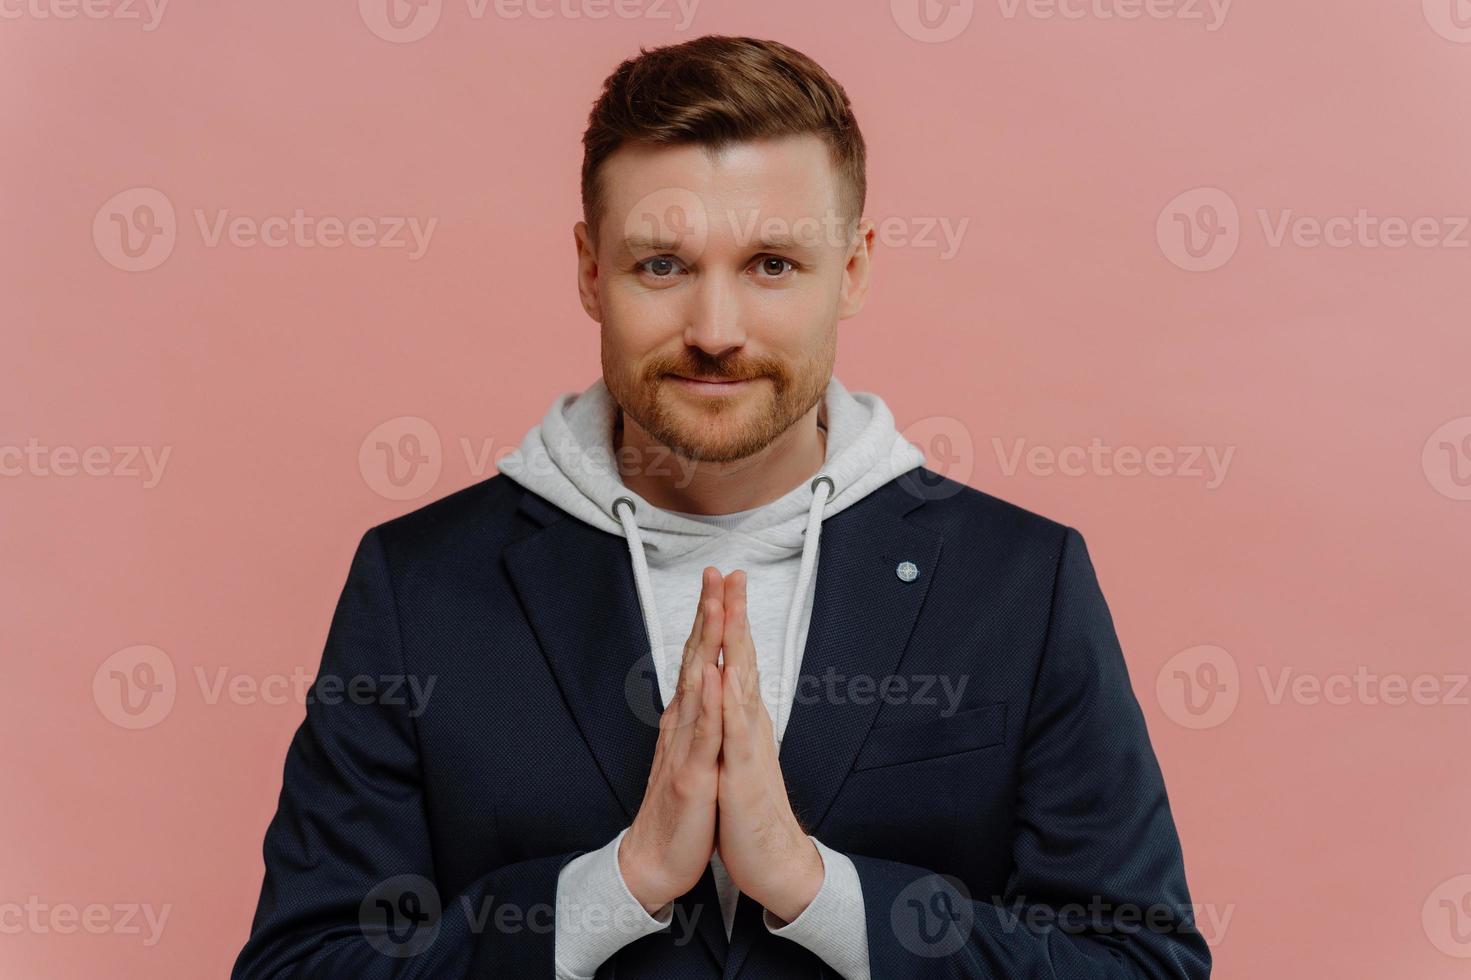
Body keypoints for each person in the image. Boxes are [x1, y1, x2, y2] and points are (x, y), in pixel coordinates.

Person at [233, 34, 1212, 980]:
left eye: (771, 264)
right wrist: (613, 886)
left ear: (856, 269)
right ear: (588, 269)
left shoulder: (1020, 581)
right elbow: (302, 964)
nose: (713, 330)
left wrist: (813, 888)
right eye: (661, 265)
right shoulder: (419, 583)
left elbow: (1137, 961)